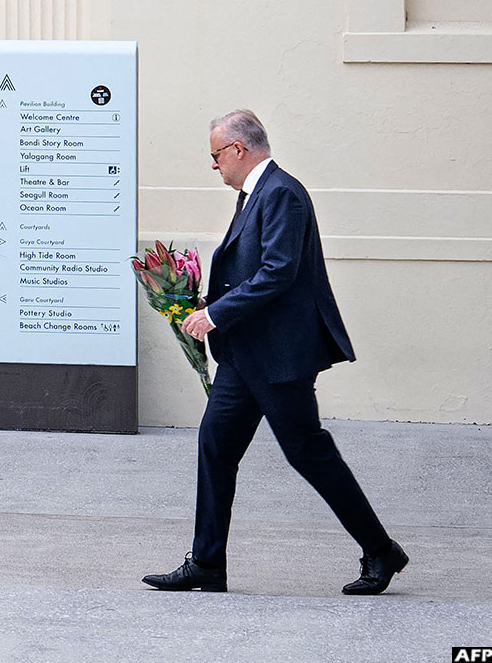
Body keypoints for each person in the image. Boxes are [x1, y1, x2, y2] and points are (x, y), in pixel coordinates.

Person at [142, 110, 407, 595]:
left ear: (239, 150)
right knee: (215, 447)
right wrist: (207, 303)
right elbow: (252, 271)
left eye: (216, 156)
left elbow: (278, 271)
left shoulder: (281, 192)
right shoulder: (256, 194)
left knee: (309, 453)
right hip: (245, 356)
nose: (215, 167)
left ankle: (381, 550)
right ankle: (206, 563)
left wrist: (216, 315)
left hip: (279, 358)